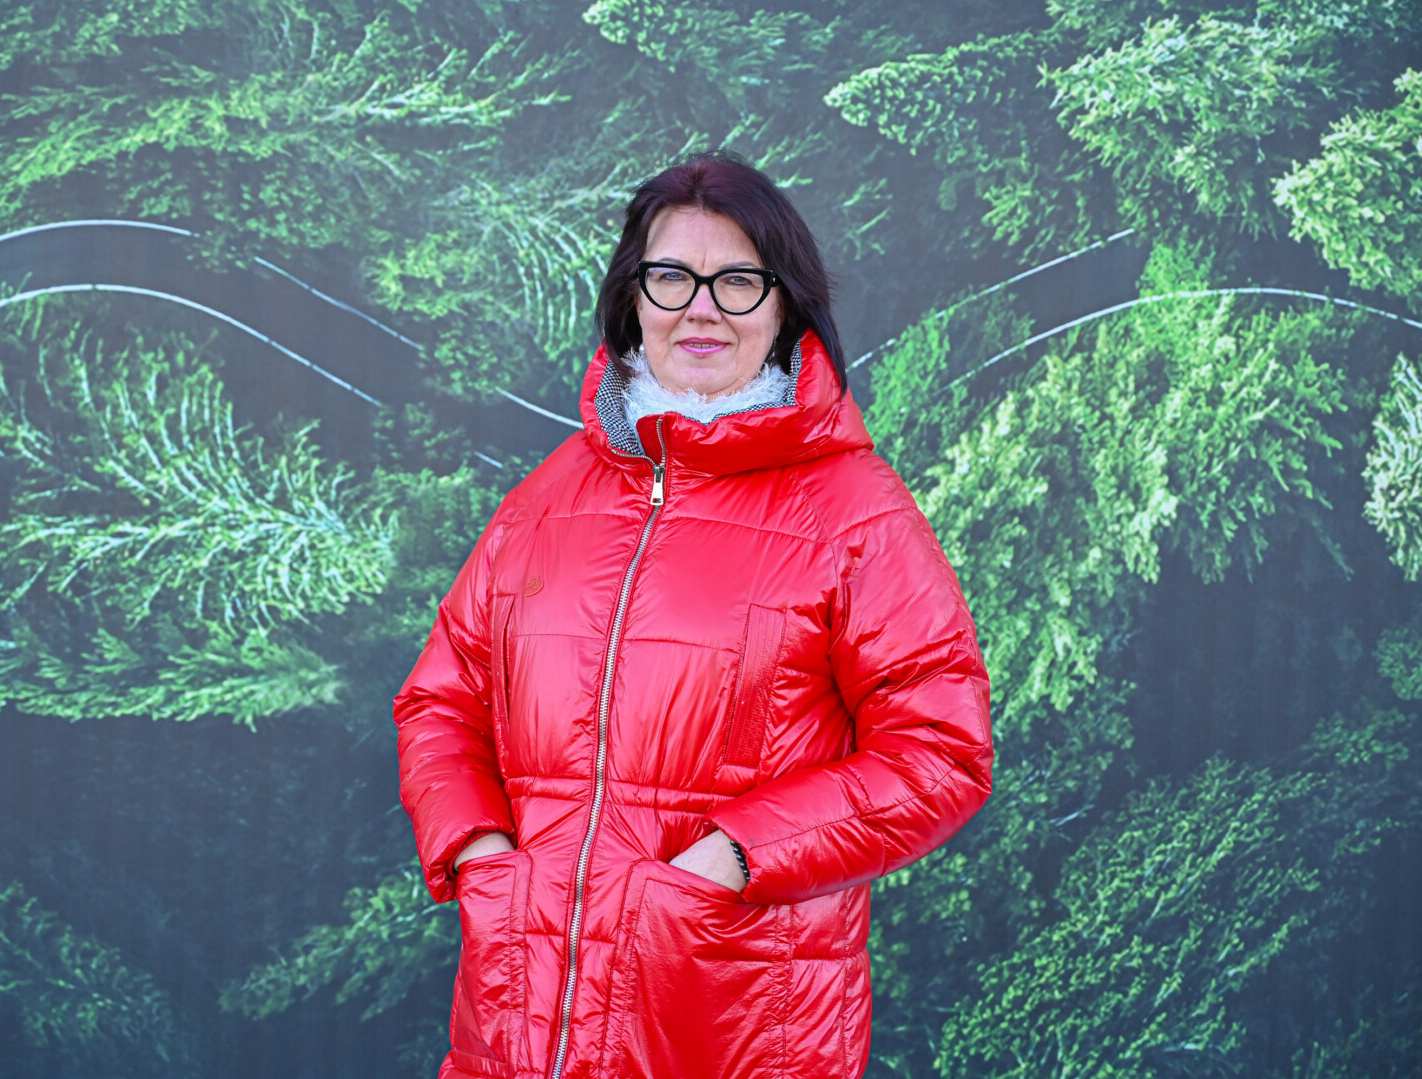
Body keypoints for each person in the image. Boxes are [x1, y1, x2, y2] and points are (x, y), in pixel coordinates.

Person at [394, 150, 992, 1079]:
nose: (701, 308)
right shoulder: (547, 498)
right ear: (631, 298)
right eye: (670, 276)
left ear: (784, 305)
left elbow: (940, 752)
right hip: (518, 1019)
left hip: (733, 1019)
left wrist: (734, 859)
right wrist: (478, 850)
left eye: (737, 281)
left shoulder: (854, 512)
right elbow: (441, 701)